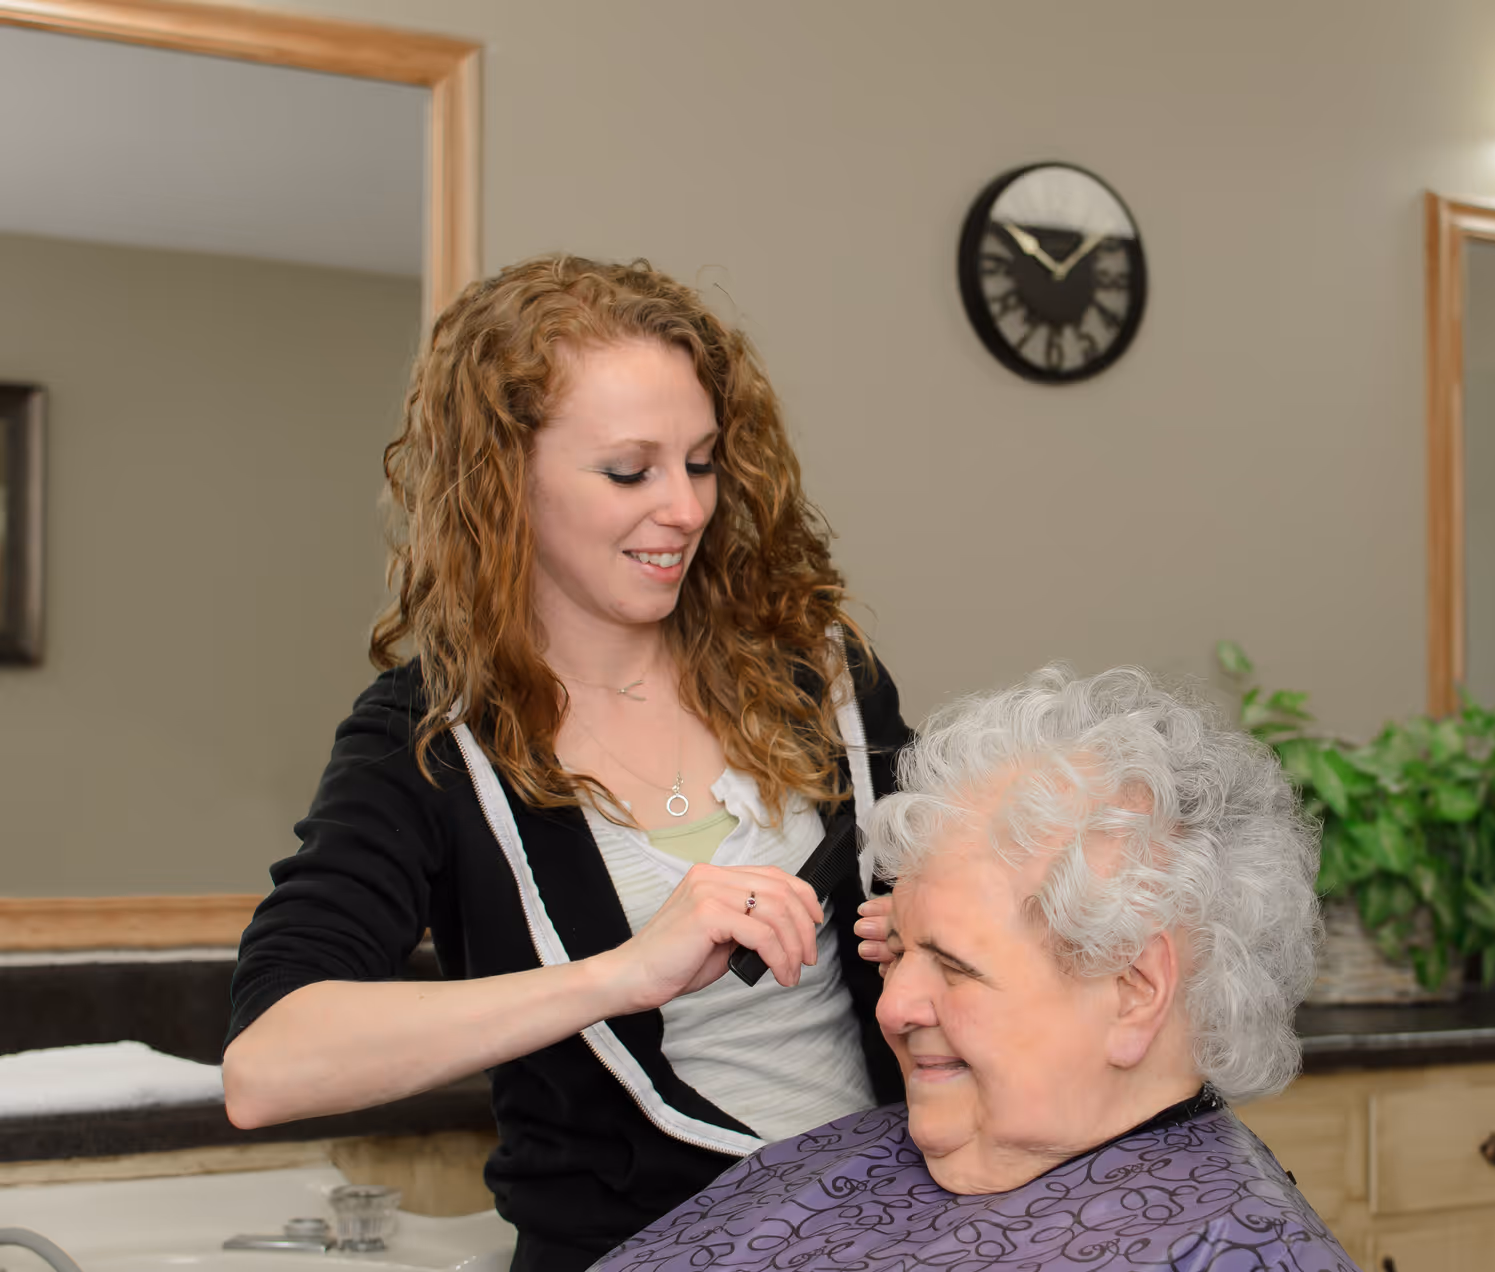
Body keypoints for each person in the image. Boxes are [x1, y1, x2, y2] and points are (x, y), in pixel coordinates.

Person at [220, 256, 912, 1271]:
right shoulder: (428, 740)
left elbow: (940, 898)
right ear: (506, 485)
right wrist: (621, 975)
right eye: (630, 471)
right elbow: (270, 1066)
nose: (684, 508)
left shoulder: (818, 671)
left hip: (885, 1233)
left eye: (703, 462)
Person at [591, 666, 1360, 1272]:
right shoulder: (837, 1169)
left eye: (954, 968)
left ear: (1135, 992)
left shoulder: (1226, 1248)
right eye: (899, 952)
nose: (893, 1010)